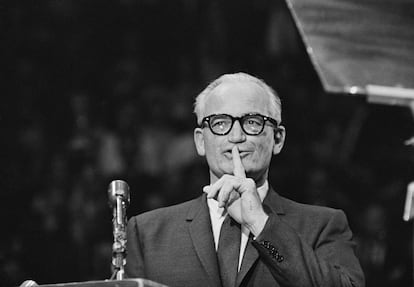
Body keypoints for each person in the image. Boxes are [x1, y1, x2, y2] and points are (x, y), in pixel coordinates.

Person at [125, 72, 365, 287]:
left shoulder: (322, 225)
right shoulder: (147, 233)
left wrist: (261, 224)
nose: (236, 136)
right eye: (220, 123)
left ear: (278, 139)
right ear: (200, 140)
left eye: (252, 122)